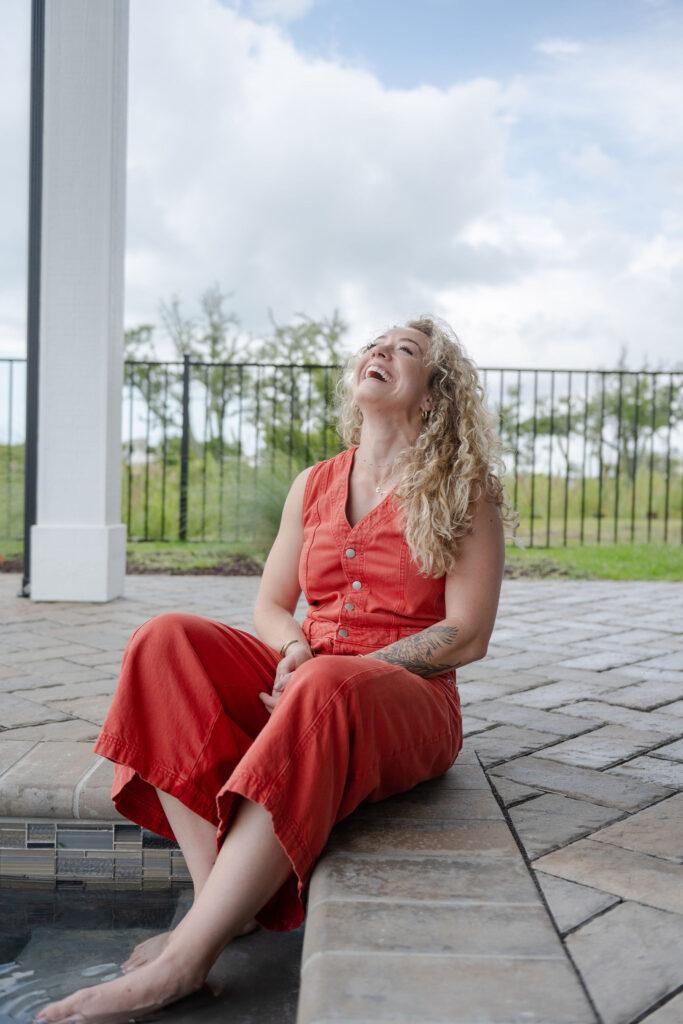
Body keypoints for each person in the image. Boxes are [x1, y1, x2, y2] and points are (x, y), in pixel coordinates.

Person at [35, 315, 510, 1024]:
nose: (380, 351)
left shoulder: (462, 490)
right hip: (309, 673)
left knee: (323, 686)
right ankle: (222, 903)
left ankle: (184, 961)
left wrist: (337, 672)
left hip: (408, 700)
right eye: (375, 343)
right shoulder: (313, 483)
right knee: (163, 640)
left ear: (433, 396)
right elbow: (270, 603)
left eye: (405, 350)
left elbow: (466, 634)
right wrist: (293, 652)